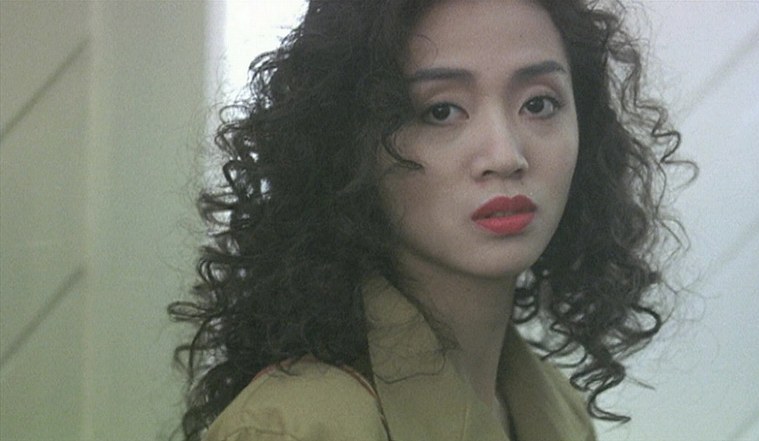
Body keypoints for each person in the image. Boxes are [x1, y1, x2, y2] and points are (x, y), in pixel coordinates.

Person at [169, 0, 693, 440]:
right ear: (349, 147)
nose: (505, 155)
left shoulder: (557, 411)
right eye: (441, 111)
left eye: (538, 104)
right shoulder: (302, 427)